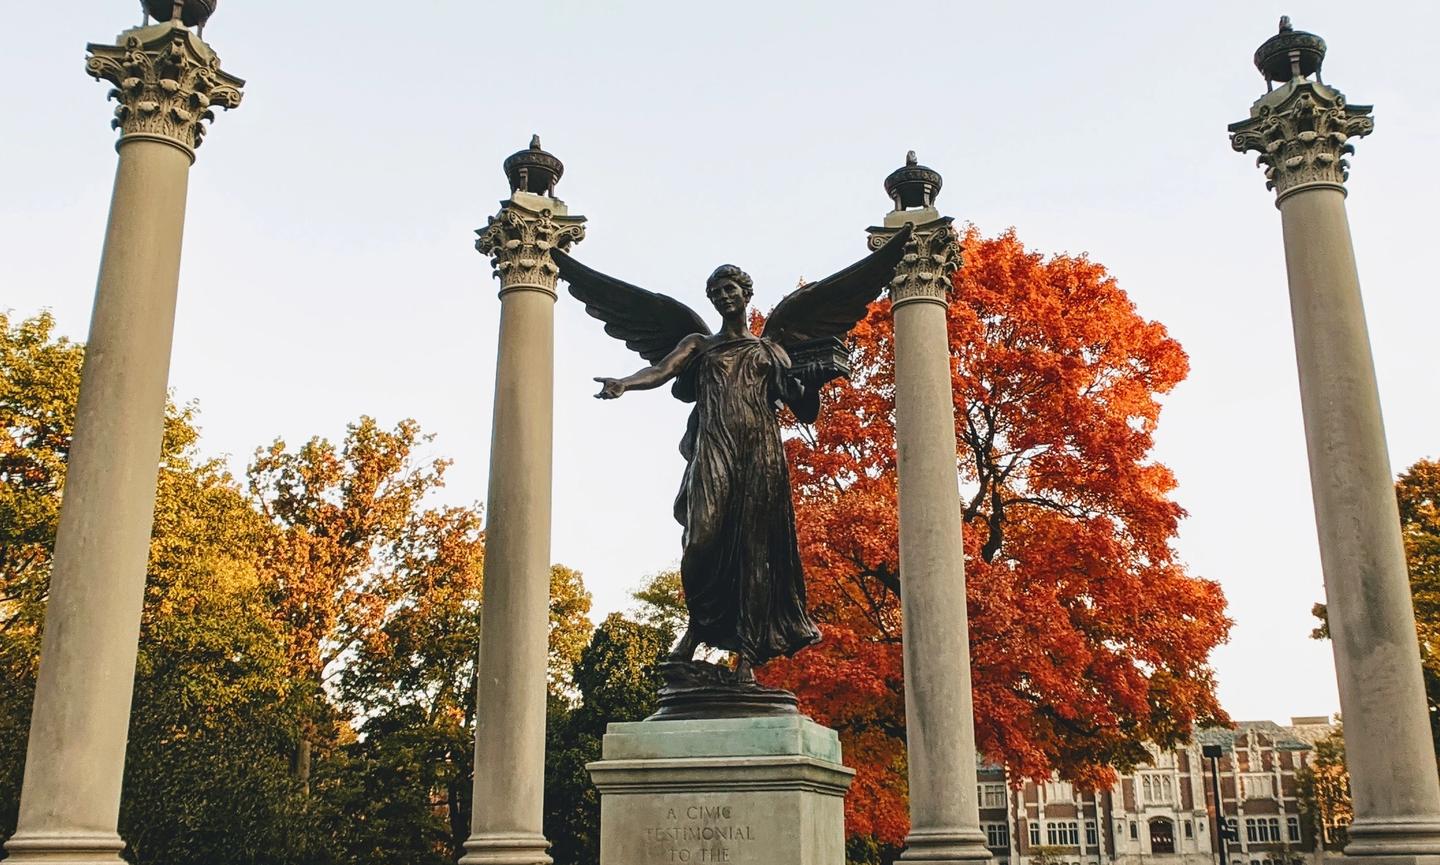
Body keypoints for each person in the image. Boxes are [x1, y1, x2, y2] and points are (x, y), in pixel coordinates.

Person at [593, 264, 822, 679]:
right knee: (700, 540)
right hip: (715, 449)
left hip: (760, 455)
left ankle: (747, 659)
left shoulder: (771, 351)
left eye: (729, 288)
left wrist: (811, 383)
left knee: (755, 553)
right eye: (715, 291)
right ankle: (698, 628)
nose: (723, 296)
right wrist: (625, 383)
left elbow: (804, 409)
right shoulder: (700, 344)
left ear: (746, 293)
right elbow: (661, 371)